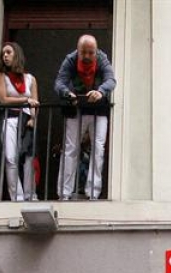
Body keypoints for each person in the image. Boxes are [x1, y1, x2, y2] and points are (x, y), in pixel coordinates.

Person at [54, 34, 116, 201]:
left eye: (91, 52)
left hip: (99, 110)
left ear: (96, 51)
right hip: (76, 109)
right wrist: (68, 93)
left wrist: (100, 91)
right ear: (78, 50)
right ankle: (64, 192)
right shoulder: (70, 60)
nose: (87, 56)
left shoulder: (102, 59)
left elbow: (111, 80)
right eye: (84, 53)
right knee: (70, 149)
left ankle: (93, 192)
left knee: (98, 149)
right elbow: (59, 82)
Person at [0, 42, 38, 202]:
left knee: (27, 158)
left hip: (26, 121)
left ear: (16, 54)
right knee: (10, 158)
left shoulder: (31, 78)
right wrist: (25, 99)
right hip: (9, 119)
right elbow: (3, 99)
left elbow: (35, 103)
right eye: (3, 53)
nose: (5, 55)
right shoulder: (1, 76)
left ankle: (30, 195)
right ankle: (17, 197)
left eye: (8, 52)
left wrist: (33, 118)